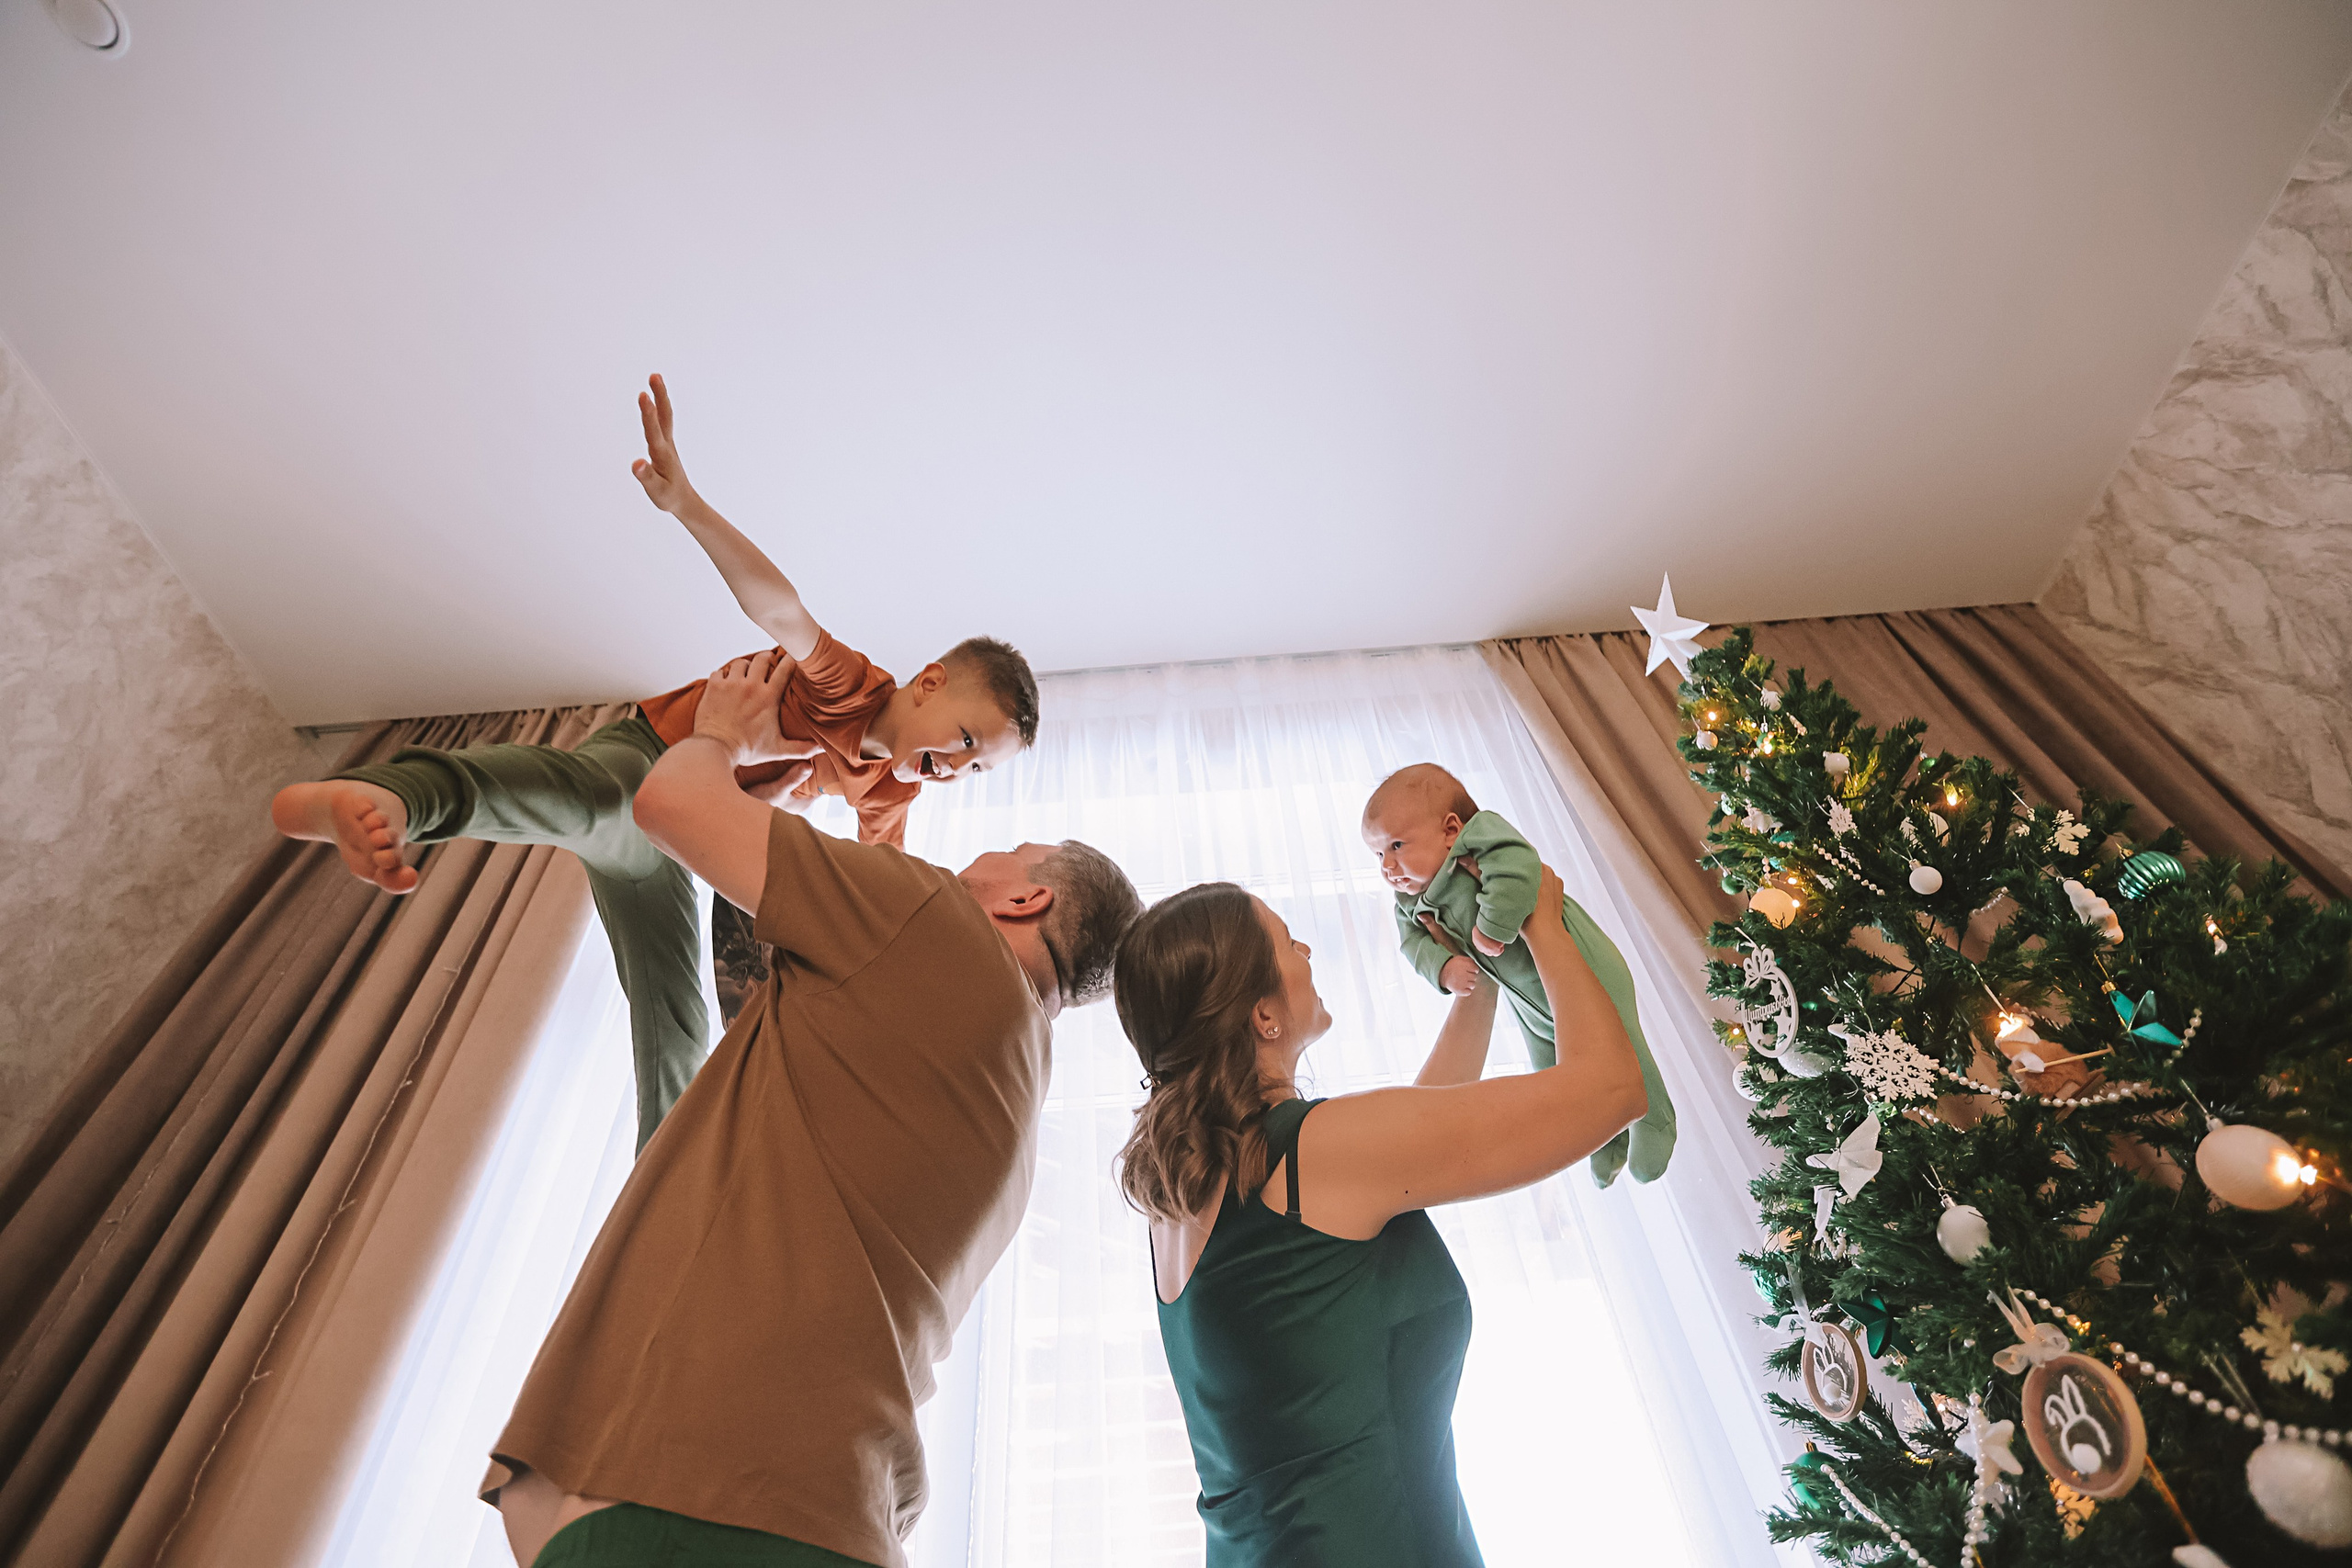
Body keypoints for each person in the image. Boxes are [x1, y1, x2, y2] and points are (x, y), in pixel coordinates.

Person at [485, 650, 1143, 1568]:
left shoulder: (935, 924)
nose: (973, 856)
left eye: (1010, 851)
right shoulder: (1008, 1075)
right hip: (804, 1501)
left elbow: (670, 805)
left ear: (1027, 897)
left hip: (710, 1486)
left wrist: (723, 730)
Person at [269, 374, 1040, 1147]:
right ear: (929, 684)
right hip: (646, 762)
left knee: (676, 1021)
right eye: (966, 741)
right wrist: (689, 507)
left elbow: (877, 905)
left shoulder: (889, 798)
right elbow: (780, 608)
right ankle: (376, 802)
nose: (956, 768)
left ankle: (659, 1185)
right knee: (570, 797)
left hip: (671, 849)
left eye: (977, 771)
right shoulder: (851, 688)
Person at [1113, 864, 1646, 1567]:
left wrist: (1477, 981)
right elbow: (1611, 1087)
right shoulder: (1308, 1154)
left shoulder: (1191, 1184)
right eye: (1287, 941)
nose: (1306, 952)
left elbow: (1417, 1135)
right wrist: (1541, 916)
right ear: (1260, 1013)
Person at [1362, 762, 1676, 1186]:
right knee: (1556, 1081)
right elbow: (1413, 945)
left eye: (1397, 845)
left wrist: (1492, 926)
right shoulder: (1409, 903)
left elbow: (1519, 869)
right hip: (1525, 995)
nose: (1387, 865)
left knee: (1622, 1043)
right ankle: (1603, 1139)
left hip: (1584, 965)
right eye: (1378, 854)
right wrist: (1444, 968)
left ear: (1451, 830)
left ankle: (1655, 1119)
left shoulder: (1480, 837)